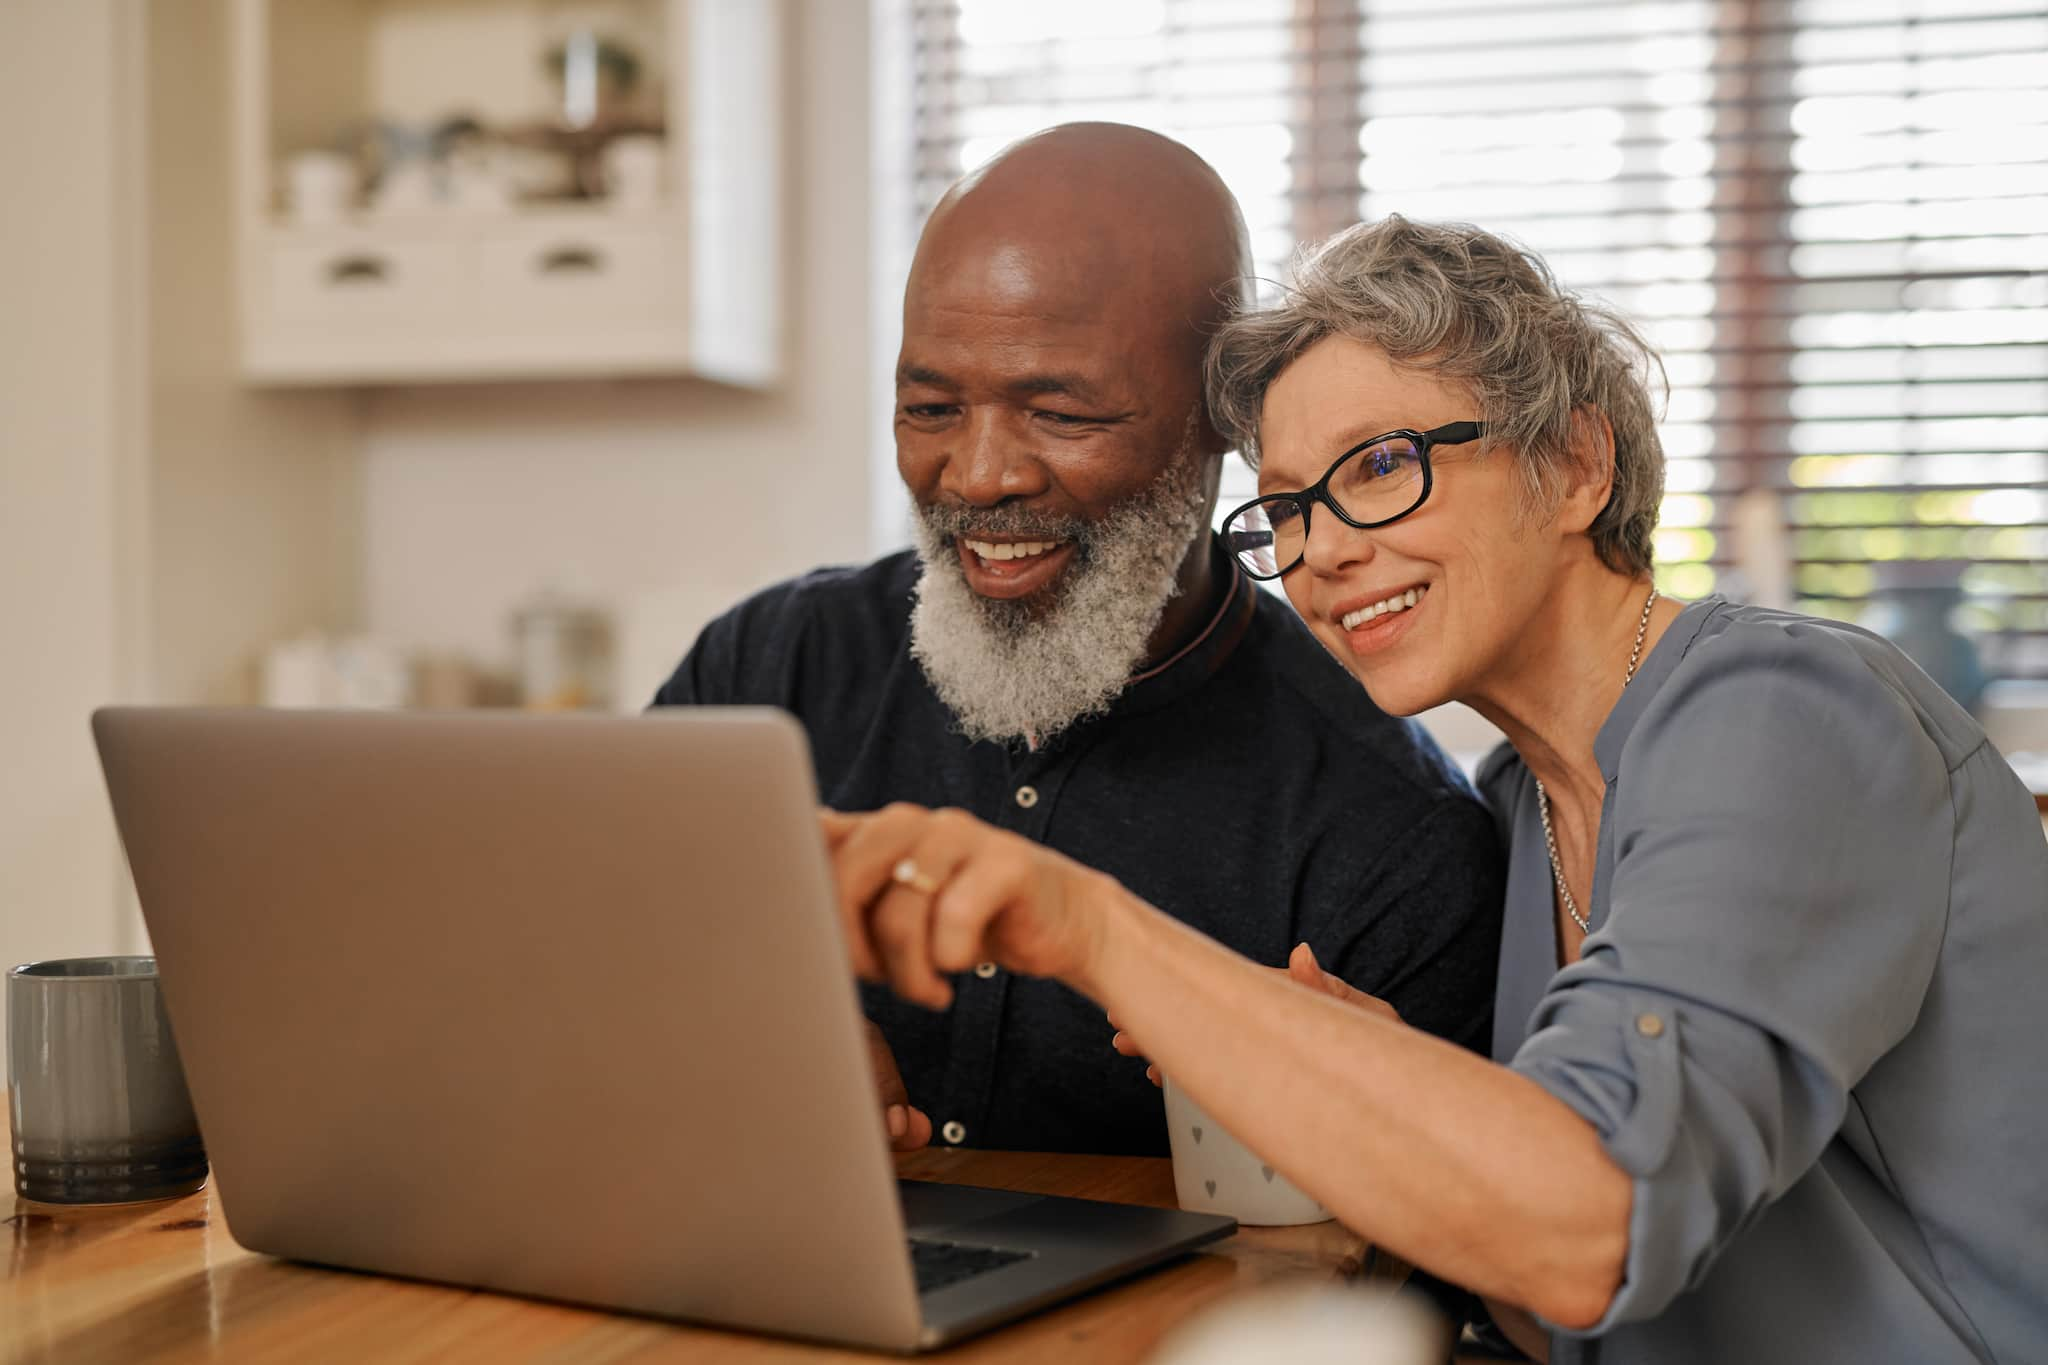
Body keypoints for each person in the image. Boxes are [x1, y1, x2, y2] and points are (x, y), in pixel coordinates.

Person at [822, 215, 2048, 1362]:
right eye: (1288, 508)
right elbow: (1543, 1306)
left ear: (1573, 465)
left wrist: (1087, 925)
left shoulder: (1782, 714)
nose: (1321, 552)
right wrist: (1360, 1082)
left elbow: (1587, 1232)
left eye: (1379, 467)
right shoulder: (1521, 798)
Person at [652, 130, 1504, 1157]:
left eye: (1056, 411)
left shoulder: (1388, 836)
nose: (975, 476)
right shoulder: (767, 672)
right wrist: (742, 1030)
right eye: (929, 407)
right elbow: (573, 959)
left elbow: (1401, 1281)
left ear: (1223, 420)